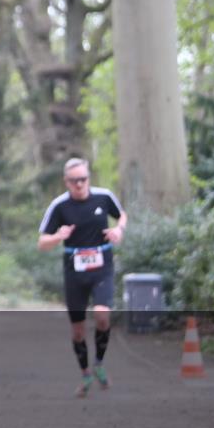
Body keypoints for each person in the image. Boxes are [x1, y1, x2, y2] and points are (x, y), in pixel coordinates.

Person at [38, 157, 127, 398]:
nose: (79, 184)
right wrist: (59, 236)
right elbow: (42, 243)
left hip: (102, 267)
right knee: (77, 331)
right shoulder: (59, 206)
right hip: (74, 273)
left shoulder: (104, 197)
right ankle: (86, 372)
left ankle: (99, 362)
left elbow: (122, 215)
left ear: (89, 178)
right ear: (66, 182)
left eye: (83, 179)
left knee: (102, 315)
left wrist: (118, 230)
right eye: (74, 181)